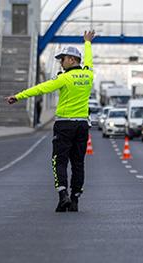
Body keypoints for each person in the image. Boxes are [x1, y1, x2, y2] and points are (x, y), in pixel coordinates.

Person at [6, 30, 96, 212]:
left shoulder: (64, 78)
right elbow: (89, 61)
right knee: (78, 163)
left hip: (64, 125)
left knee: (59, 161)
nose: (61, 63)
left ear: (71, 60)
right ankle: (75, 199)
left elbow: (41, 89)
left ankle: (63, 195)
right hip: (82, 126)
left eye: (62, 59)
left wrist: (18, 96)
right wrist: (87, 42)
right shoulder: (89, 75)